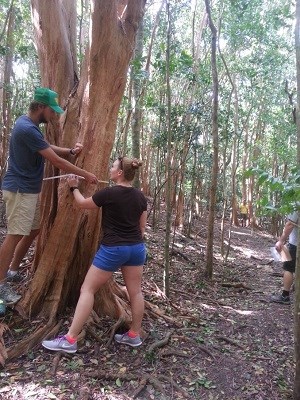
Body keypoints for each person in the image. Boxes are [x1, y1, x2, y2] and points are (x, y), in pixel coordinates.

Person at [0, 87, 98, 306]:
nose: (54, 116)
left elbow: (47, 148)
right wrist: (85, 174)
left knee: (33, 229)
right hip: (19, 189)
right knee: (15, 234)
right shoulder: (26, 128)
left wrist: (70, 151)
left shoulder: (29, 126)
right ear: (41, 107)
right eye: (52, 111)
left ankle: (14, 270)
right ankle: (0, 284)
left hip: (28, 189)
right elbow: (56, 162)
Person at [42, 156, 147, 353]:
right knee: (136, 292)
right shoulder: (140, 197)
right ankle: (134, 335)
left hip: (113, 249)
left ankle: (70, 339)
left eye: (113, 166)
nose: (110, 168)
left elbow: (82, 203)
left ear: (120, 173)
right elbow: (142, 228)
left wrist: (74, 186)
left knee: (87, 289)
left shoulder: (108, 193)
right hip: (136, 249)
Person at [270, 211, 299, 304]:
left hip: (295, 244)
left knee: (288, 269)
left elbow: (290, 224)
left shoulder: (296, 203)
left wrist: (281, 241)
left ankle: (285, 296)